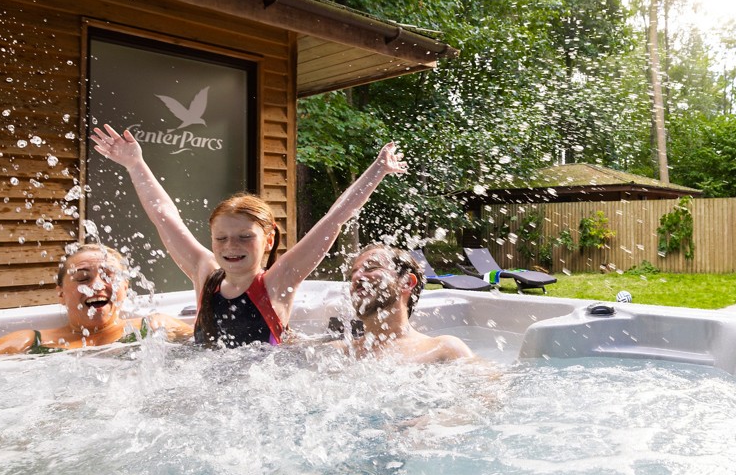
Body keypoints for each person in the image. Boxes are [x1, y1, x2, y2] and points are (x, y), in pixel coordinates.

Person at [90, 124, 407, 348]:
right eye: (221, 238)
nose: (231, 246)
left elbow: (334, 219)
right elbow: (164, 216)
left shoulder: (277, 282)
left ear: (268, 241)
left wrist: (377, 170)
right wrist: (135, 164)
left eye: (244, 237)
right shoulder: (205, 274)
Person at [0, 243, 193, 357]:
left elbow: (220, 347)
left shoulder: (154, 327)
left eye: (109, 276)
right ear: (60, 293)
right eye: (82, 278)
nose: (97, 285)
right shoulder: (28, 343)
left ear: (125, 288)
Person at [343, 243, 473, 362]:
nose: (357, 277)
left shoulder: (444, 349)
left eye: (371, 268)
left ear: (406, 282)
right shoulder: (340, 352)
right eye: (353, 274)